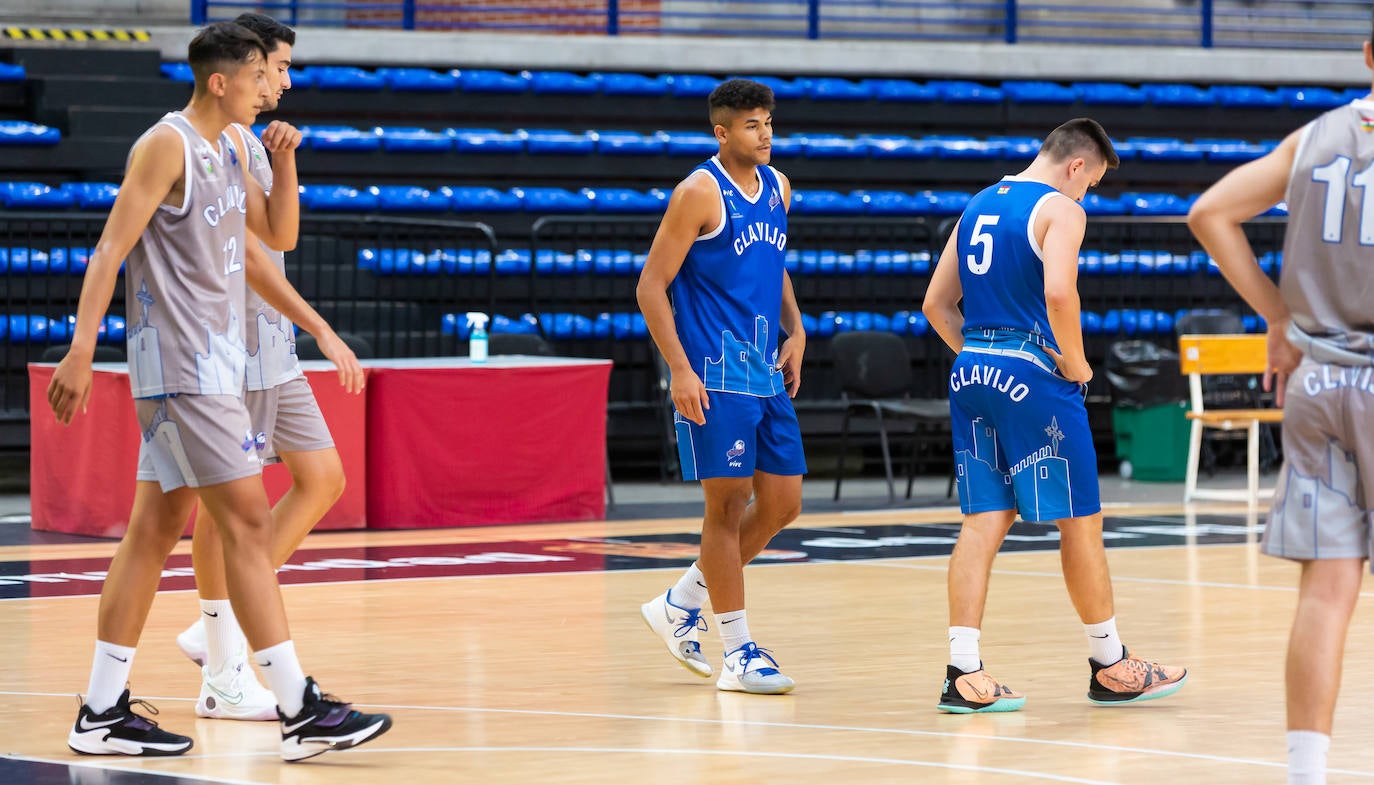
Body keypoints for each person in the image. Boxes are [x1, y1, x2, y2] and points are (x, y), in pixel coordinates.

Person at [48, 22, 391, 761]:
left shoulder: (237, 145)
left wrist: (319, 324)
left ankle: (102, 708)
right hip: (181, 365)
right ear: (220, 81)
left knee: (151, 532)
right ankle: (298, 704)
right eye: (263, 75)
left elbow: (264, 251)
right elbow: (110, 247)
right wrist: (81, 348)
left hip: (215, 364)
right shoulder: (164, 144)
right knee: (245, 524)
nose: (276, 85)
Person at [921, 118, 1188, 713]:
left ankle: (962, 672)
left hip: (972, 372)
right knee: (1080, 522)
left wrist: (982, 360)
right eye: (1089, 182)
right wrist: (1076, 363)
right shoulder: (1060, 210)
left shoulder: (978, 204)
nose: (1086, 194)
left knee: (983, 520)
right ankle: (1111, 664)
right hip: (1032, 373)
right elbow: (1059, 293)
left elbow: (936, 305)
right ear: (1076, 166)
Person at [1187, 23, 1374, 784]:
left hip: (1319, 380)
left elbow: (1209, 213)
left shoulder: (1315, 137)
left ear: (1368, 54)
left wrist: (1277, 317)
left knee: (1327, 591)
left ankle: (1307, 773)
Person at [174, 12, 365, 724]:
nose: (281, 81)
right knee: (225, 513)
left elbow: (280, 235)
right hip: (232, 347)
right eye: (275, 67)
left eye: (281, 69)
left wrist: (286, 160)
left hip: (274, 344)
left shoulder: (253, 143)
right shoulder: (202, 143)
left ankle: (215, 623)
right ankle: (222, 657)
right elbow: (253, 258)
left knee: (323, 478)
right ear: (242, 71)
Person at [636, 78, 806, 695]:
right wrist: (679, 369)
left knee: (785, 503)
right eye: (752, 125)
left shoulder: (780, 186)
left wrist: (797, 326)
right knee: (728, 506)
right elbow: (651, 287)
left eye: (768, 123)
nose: (765, 134)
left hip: (764, 366)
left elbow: (773, 264)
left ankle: (681, 602)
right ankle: (738, 651)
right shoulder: (697, 192)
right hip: (713, 370)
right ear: (722, 132)